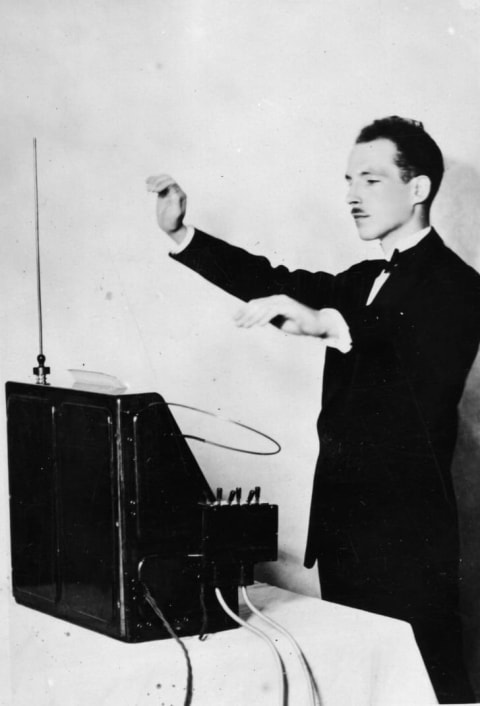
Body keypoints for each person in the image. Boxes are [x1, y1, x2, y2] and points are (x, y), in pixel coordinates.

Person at [146, 116, 480, 703]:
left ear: (419, 188)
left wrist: (324, 323)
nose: (352, 195)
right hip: (345, 530)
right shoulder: (361, 279)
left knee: (428, 687)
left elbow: (390, 338)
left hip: (409, 542)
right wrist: (185, 236)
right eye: (348, 179)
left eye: (370, 179)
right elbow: (273, 279)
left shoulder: (458, 286)